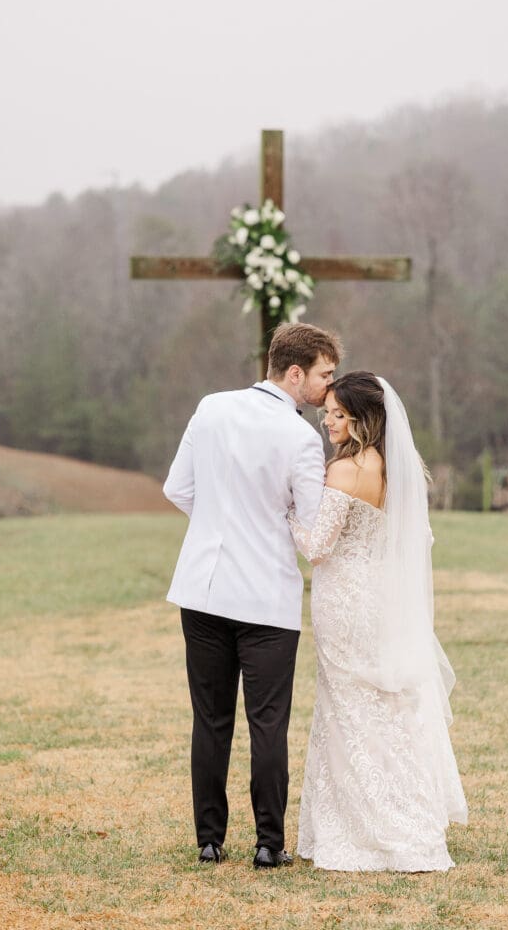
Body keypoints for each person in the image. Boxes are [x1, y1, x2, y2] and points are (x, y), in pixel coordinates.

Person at [163, 323, 342, 869]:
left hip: (204, 588)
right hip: (266, 596)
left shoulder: (210, 407)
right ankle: (269, 844)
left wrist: (221, 520)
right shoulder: (299, 437)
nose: (328, 388)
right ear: (294, 373)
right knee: (268, 722)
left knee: (210, 719)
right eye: (323, 375)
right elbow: (311, 523)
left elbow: (178, 488)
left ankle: (209, 841)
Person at [288, 371, 468, 872]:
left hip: (344, 604)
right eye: (327, 413)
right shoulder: (400, 469)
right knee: (388, 709)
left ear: (363, 419)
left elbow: (317, 548)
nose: (328, 422)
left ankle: (364, 829)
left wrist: (285, 514)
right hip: (384, 602)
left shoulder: (344, 472)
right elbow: (421, 542)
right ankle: (411, 819)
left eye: (338, 415)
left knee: (347, 710)